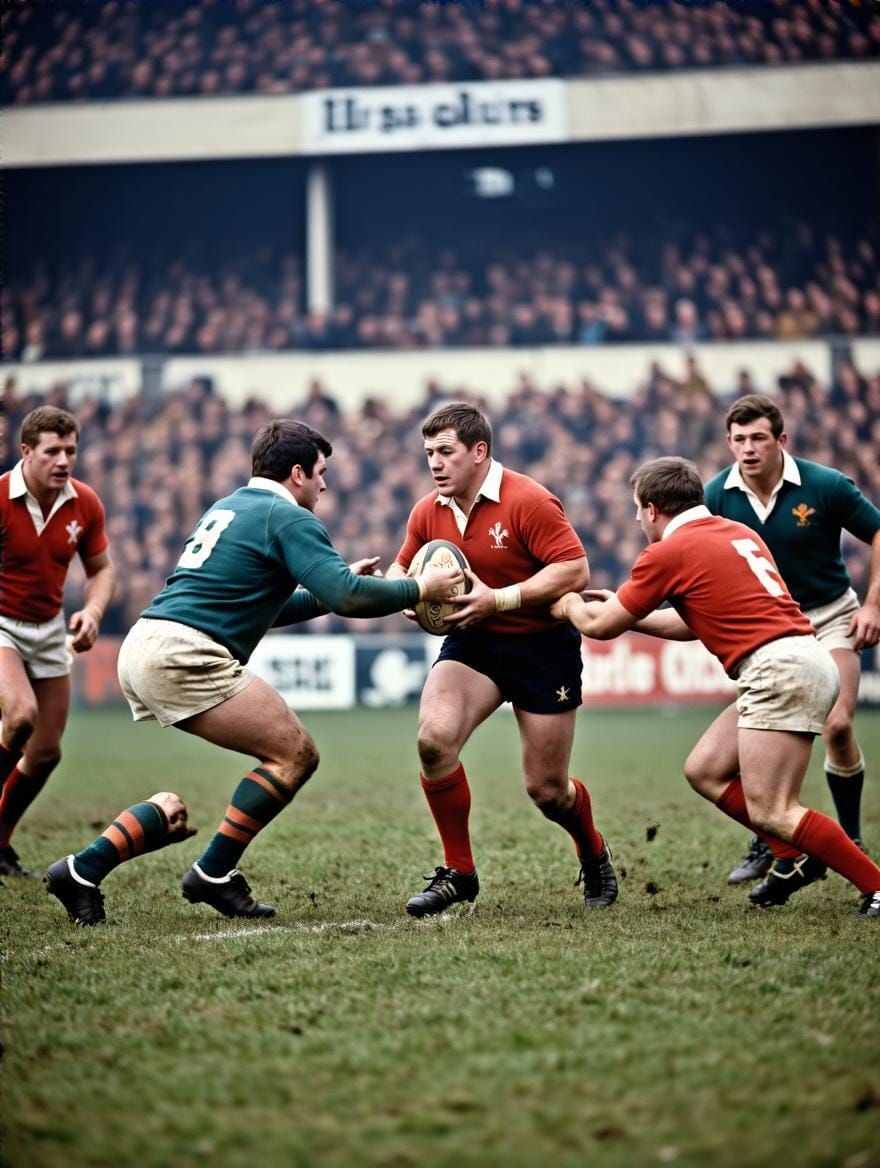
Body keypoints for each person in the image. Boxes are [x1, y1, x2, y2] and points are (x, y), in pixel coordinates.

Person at [44, 419, 463, 926]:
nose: (325, 484)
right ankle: (213, 874)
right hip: (184, 652)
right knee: (294, 755)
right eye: (321, 473)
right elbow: (350, 597)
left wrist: (337, 585)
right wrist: (423, 588)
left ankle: (83, 872)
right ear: (297, 474)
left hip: (148, 641)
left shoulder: (230, 505)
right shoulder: (288, 518)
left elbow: (270, 605)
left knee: (272, 761)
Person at [552, 456, 880, 920]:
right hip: (804, 657)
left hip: (777, 670)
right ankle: (791, 857)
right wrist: (633, 614)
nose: (636, 519)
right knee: (705, 769)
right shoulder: (736, 532)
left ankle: (875, 886)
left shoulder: (668, 551)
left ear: (650, 509)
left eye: (636, 510)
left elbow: (600, 626)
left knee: (774, 810)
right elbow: (693, 622)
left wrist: (565, 602)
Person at [387, 402, 617, 918]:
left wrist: (501, 598)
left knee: (548, 791)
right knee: (433, 740)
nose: (435, 464)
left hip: (542, 647)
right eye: (429, 454)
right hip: (474, 644)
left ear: (479, 451)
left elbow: (574, 571)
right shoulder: (429, 510)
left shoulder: (529, 500)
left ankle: (593, 850)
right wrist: (405, 594)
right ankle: (459, 873)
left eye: (445, 452)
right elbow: (404, 567)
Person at [704, 394, 880, 902]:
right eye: (739, 439)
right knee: (749, 740)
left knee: (839, 723)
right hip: (768, 633)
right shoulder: (718, 495)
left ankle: (850, 837)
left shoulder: (825, 485)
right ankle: (771, 842)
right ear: (729, 443)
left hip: (829, 617)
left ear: (781, 440)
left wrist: (871, 606)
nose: (748, 448)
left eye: (759, 438)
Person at [0, 406, 115, 878]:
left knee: (46, 753)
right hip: (2, 623)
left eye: (71, 450)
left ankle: (0, 844)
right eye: (52, 451)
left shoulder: (84, 502)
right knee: (20, 716)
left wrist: (92, 611)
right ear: (26, 452)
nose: (63, 460)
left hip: (49, 630)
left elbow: (102, 570)